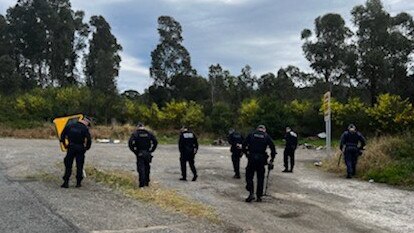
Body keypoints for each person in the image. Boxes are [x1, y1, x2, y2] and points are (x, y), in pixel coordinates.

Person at [243, 125, 276, 202]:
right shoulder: (266, 136)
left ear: (257, 129)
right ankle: (259, 196)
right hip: (261, 159)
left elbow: (244, 144)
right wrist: (272, 159)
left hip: (252, 157)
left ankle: (251, 193)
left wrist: (247, 154)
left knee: (249, 176)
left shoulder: (251, 134)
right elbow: (273, 147)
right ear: (264, 130)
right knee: (260, 177)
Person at [60, 116, 92, 188]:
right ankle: (78, 183)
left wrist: (65, 145)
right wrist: (86, 148)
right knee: (79, 165)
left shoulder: (70, 126)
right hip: (80, 148)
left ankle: (66, 182)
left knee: (68, 165)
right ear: (86, 122)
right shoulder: (85, 128)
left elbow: (62, 136)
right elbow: (89, 139)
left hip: (71, 147)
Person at [128, 123, 158, 188]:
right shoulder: (149, 133)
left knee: (141, 168)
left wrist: (135, 151)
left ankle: (142, 184)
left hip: (140, 153)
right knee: (147, 167)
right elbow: (155, 141)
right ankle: (147, 183)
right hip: (147, 152)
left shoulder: (135, 134)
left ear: (137, 127)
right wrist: (151, 150)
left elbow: (130, 143)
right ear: (143, 127)